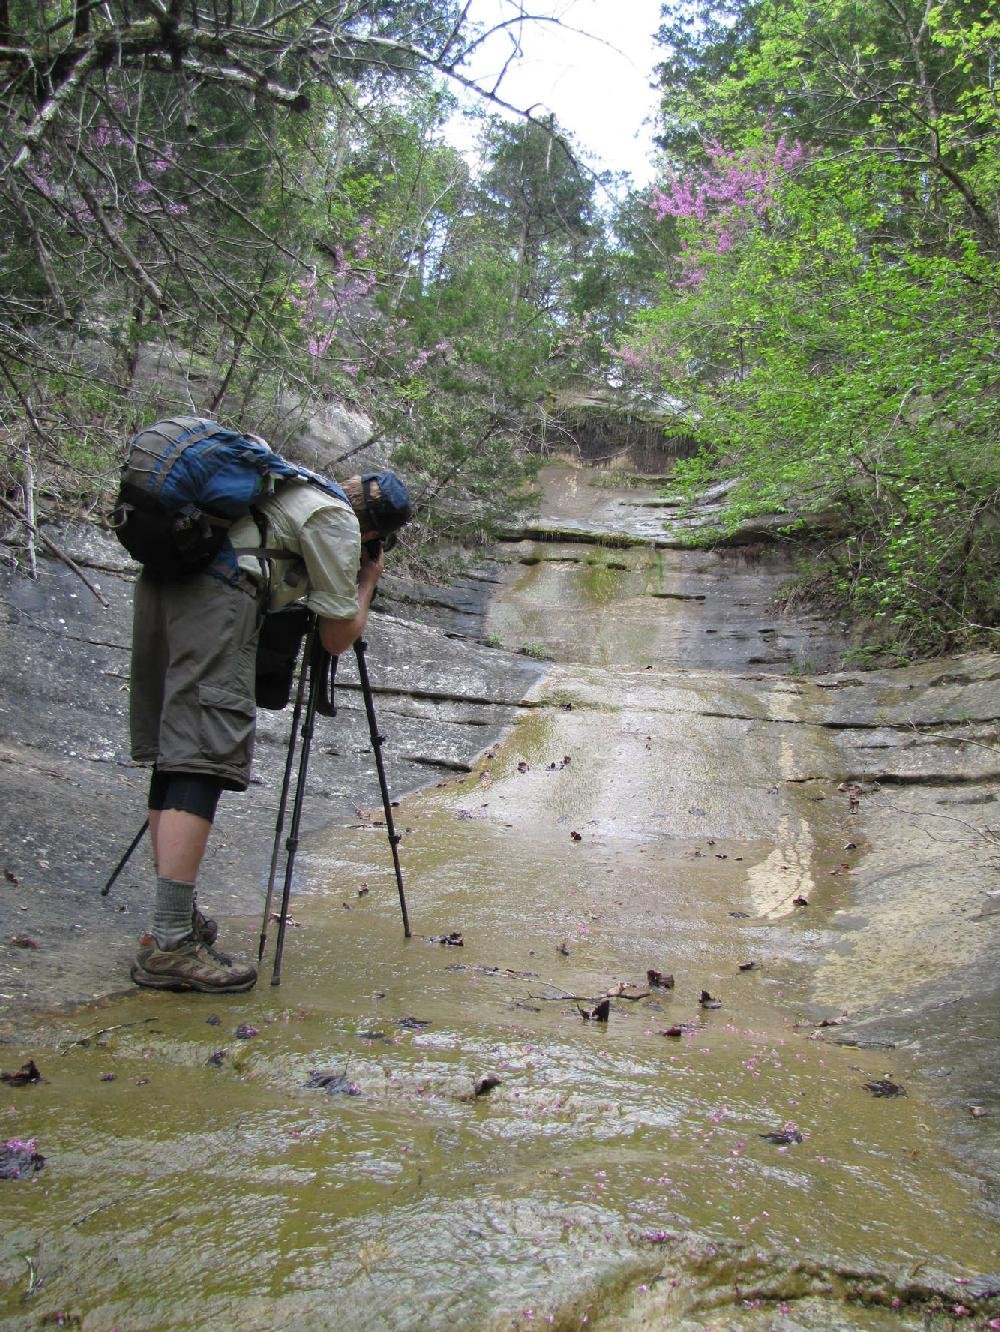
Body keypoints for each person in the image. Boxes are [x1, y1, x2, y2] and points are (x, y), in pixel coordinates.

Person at [127, 457, 411, 994]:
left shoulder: (291, 486)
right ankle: (171, 944)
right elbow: (335, 634)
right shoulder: (335, 521)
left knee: (176, 750)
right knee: (202, 757)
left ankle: (175, 918)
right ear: (374, 529)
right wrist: (367, 580)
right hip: (217, 597)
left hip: (166, 583)